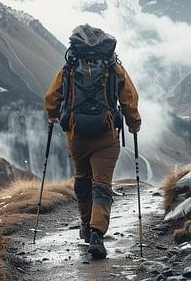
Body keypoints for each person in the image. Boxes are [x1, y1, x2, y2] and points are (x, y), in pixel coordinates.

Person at [44, 25, 141, 259]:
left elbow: (51, 97)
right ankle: (97, 234)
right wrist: (133, 123)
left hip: (76, 135)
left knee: (82, 179)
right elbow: (129, 97)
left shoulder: (69, 67)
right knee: (102, 185)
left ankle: (86, 226)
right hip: (106, 136)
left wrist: (52, 114)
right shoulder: (113, 66)